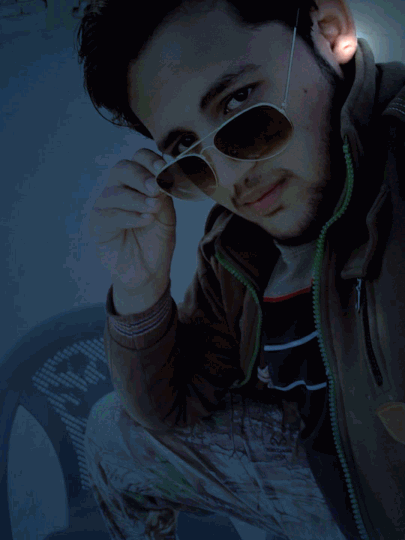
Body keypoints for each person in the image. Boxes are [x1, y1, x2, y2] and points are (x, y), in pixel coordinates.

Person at [74, 0, 405, 538]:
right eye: (186, 147)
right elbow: (174, 405)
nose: (230, 178)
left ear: (329, 29)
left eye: (239, 101)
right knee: (114, 434)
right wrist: (140, 286)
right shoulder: (237, 245)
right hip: (333, 483)